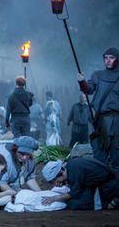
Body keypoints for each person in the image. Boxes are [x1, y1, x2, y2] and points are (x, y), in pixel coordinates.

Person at [78, 46, 119, 177]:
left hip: (117, 121)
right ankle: (102, 193)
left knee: (116, 157)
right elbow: (88, 89)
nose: (108, 61)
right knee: (99, 158)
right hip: (100, 120)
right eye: (106, 58)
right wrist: (82, 82)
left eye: (111, 58)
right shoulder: (97, 75)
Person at [42, 157, 119, 210]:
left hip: (107, 187)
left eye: (53, 181)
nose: (55, 184)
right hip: (101, 184)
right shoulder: (71, 165)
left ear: (60, 173)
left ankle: (107, 204)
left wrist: (54, 198)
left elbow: (74, 192)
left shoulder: (74, 170)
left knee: (74, 203)